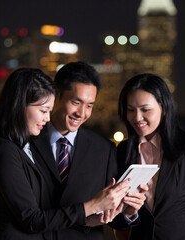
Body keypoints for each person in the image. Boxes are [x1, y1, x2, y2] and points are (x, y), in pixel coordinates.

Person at [0, 67, 128, 240]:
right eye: (43, 111)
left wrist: (89, 220)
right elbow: (32, 218)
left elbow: (45, 214)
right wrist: (93, 205)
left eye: (89, 105)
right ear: (20, 105)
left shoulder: (22, 145)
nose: (47, 118)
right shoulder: (4, 149)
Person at [30, 61, 148, 240]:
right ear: (56, 95)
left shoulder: (104, 149)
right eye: (76, 102)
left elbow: (113, 219)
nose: (82, 113)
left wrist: (129, 212)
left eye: (89, 106)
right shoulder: (28, 140)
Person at [116, 73, 185, 240]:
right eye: (130, 110)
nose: (137, 118)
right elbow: (117, 219)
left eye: (145, 110)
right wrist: (128, 215)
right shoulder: (123, 150)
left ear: (164, 109)